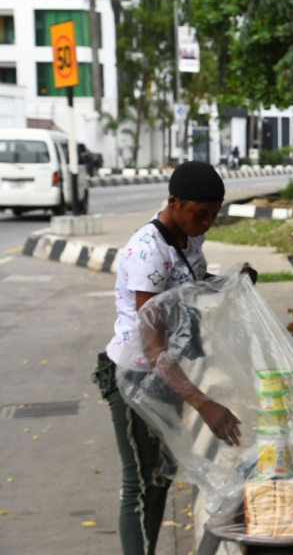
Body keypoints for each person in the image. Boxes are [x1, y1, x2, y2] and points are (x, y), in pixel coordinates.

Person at [91, 161, 257, 555]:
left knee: (159, 478)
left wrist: (230, 281)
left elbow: (187, 289)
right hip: (137, 380)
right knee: (140, 484)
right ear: (173, 201)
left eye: (214, 215)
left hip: (166, 378)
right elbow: (152, 347)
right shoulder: (149, 252)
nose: (207, 223)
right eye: (200, 214)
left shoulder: (186, 236)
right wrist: (203, 403)